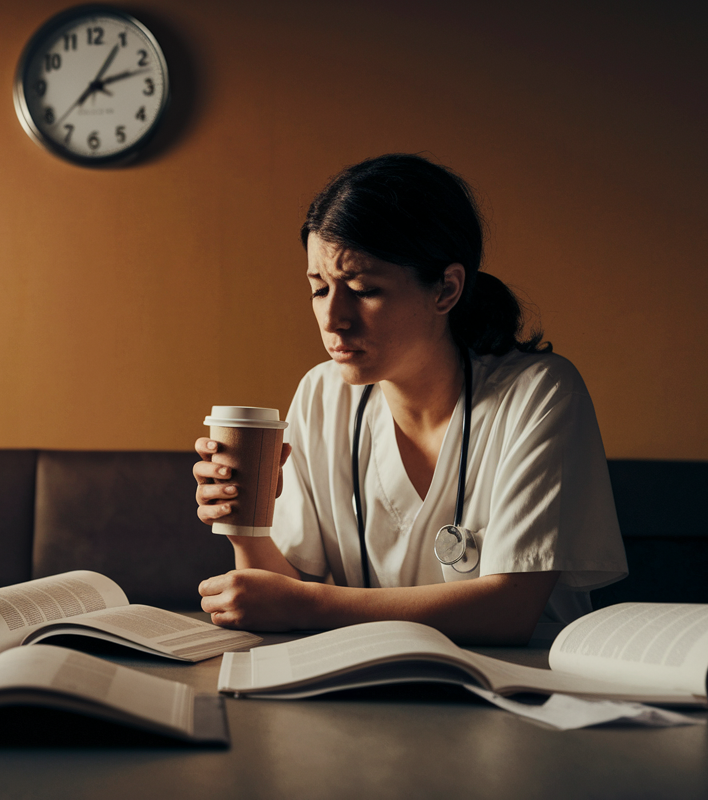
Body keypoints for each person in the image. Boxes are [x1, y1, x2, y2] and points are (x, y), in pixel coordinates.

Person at [192, 154, 627, 645]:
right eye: (319, 289)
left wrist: (306, 604)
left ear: (446, 289)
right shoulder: (321, 392)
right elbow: (284, 596)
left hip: (521, 690)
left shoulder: (539, 393)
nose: (333, 318)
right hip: (367, 689)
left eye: (363, 289)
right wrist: (243, 525)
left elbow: (508, 610)